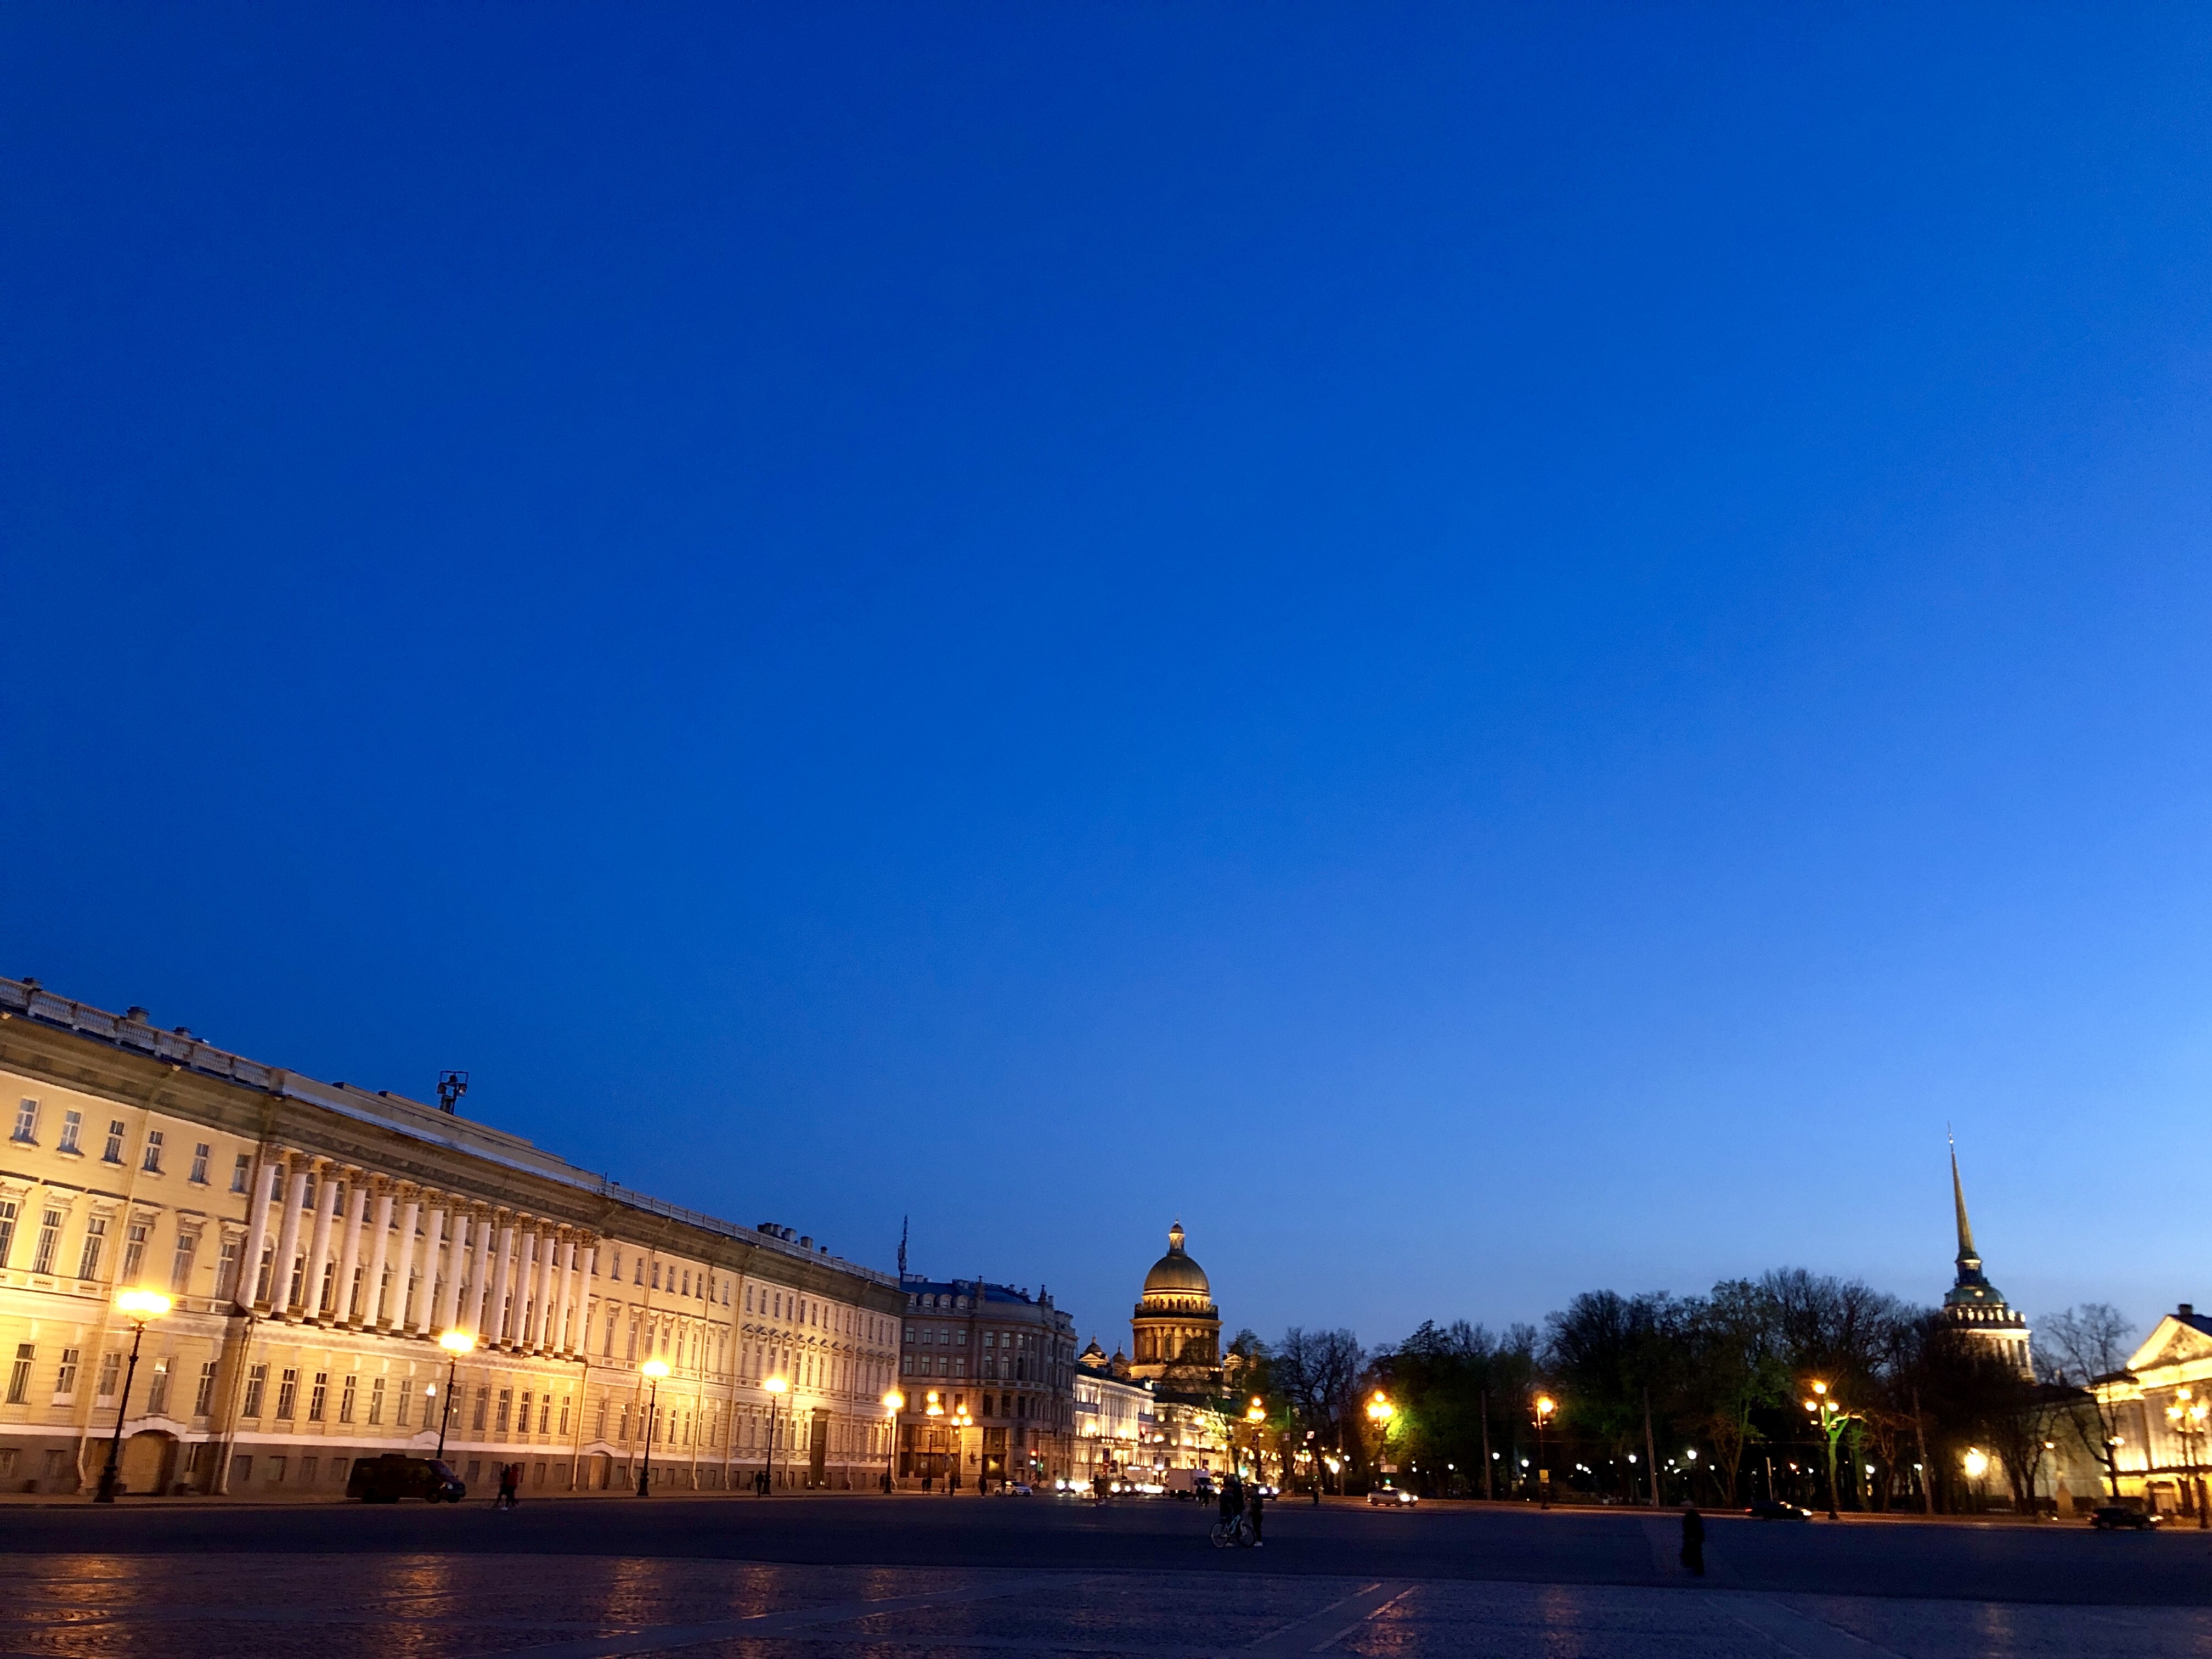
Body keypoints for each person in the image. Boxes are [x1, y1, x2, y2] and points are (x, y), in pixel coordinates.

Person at [1680, 1505, 1705, 1577]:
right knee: (1697, 1553)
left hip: (1692, 1537)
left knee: (1691, 1551)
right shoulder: (1697, 1519)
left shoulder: (1688, 1519)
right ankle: (1698, 1568)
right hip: (1696, 1537)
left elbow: (1687, 1528)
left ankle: (1692, 1565)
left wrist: (1688, 1537)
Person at [1248, 1481, 1265, 1548]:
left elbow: (1255, 1506)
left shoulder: (1255, 1497)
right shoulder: (1259, 1497)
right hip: (1258, 1514)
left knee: (1257, 1528)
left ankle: (1259, 1541)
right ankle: (1258, 1540)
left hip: (1256, 1514)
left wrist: (1251, 1510)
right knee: (1257, 1528)